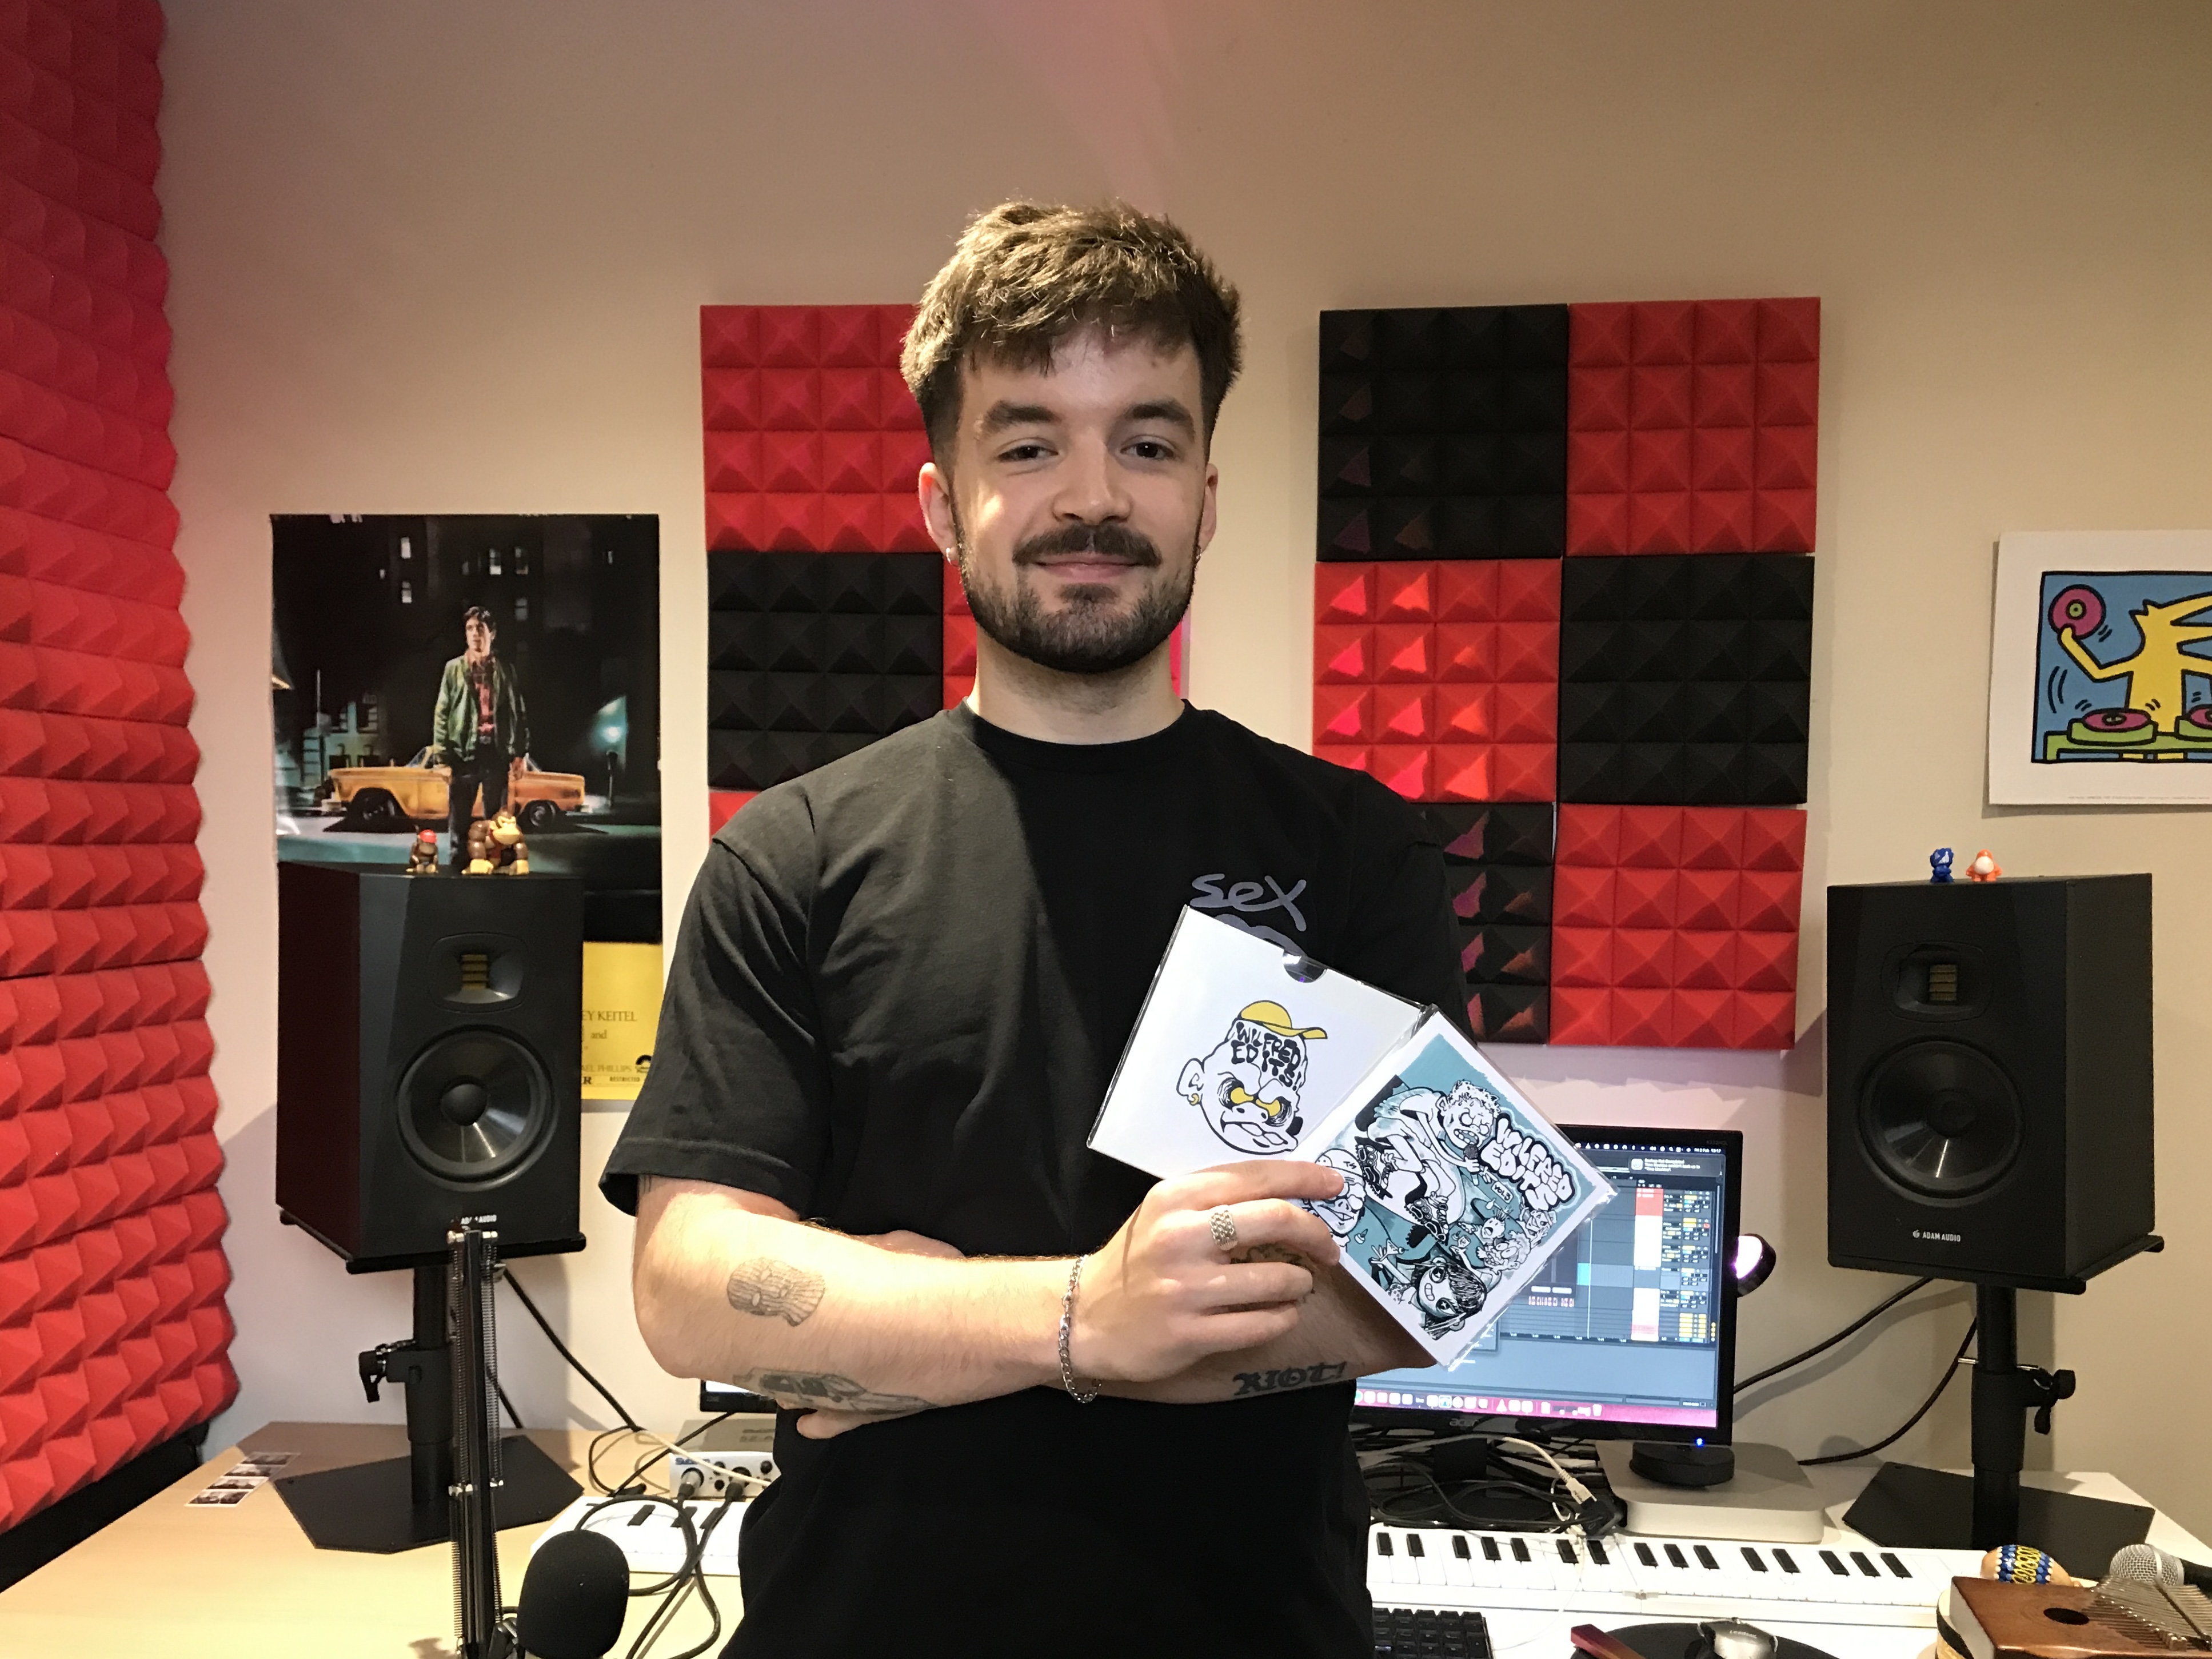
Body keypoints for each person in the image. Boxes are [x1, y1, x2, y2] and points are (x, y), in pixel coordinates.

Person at [602, 201, 1468, 1657]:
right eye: (1026, 442)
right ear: (943, 502)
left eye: (1143, 439)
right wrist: (1077, 1315)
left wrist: (910, 1341)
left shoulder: (1352, 849)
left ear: (1204, 487)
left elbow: (1426, 1281)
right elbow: (690, 1290)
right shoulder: (793, 856)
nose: (1090, 497)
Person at [430, 605, 528, 864]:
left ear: (491, 634)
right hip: (464, 753)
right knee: (460, 819)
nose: (475, 634)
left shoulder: (505, 670)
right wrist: (441, 758)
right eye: (470, 629)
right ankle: (458, 865)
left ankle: (496, 865)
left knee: (498, 820)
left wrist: (520, 753)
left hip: (495, 752)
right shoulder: (454, 669)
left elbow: (518, 712)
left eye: (480, 629)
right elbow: (442, 712)